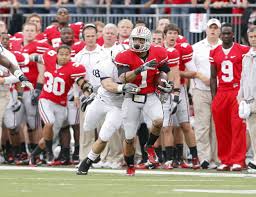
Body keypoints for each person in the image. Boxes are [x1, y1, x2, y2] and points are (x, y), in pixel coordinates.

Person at [115, 26, 173, 176]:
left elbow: (165, 71)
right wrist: (140, 69)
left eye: (140, 40)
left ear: (147, 41)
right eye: (135, 39)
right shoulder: (124, 55)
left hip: (150, 95)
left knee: (159, 120)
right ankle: (130, 165)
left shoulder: (159, 52)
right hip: (132, 98)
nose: (137, 43)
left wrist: (164, 82)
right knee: (129, 138)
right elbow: (122, 78)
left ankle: (149, 146)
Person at [29, 45, 90, 165]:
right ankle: (49, 153)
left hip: (61, 105)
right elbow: (38, 58)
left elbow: (80, 81)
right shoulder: (49, 57)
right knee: (49, 122)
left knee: (50, 136)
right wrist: (28, 58)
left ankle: (33, 155)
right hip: (45, 100)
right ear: (56, 54)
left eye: (66, 54)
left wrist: (86, 87)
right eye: (61, 54)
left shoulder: (74, 68)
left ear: (70, 55)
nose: (63, 56)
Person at [210, 23, 250, 171]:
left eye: (229, 33)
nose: (226, 36)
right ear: (220, 35)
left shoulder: (243, 50)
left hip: (236, 91)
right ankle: (225, 159)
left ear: (233, 35)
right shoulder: (214, 52)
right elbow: (213, 77)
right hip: (221, 92)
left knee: (237, 127)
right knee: (222, 128)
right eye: (224, 33)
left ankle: (238, 160)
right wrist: (214, 98)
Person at [190, 18, 222, 169]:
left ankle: (217, 158)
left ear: (220, 31)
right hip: (201, 90)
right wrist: (201, 76)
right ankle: (204, 158)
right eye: (211, 28)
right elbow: (190, 68)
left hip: (220, 91)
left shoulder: (225, 46)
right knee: (202, 126)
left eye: (216, 28)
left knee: (217, 126)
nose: (213, 30)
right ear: (206, 30)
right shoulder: (196, 47)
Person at [237, 26, 256, 173]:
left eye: (255, 36)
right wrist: (240, 97)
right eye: (251, 37)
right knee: (253, 131)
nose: (253, 39)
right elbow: (243, 79)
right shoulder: (246, 57)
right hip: (249, 99)